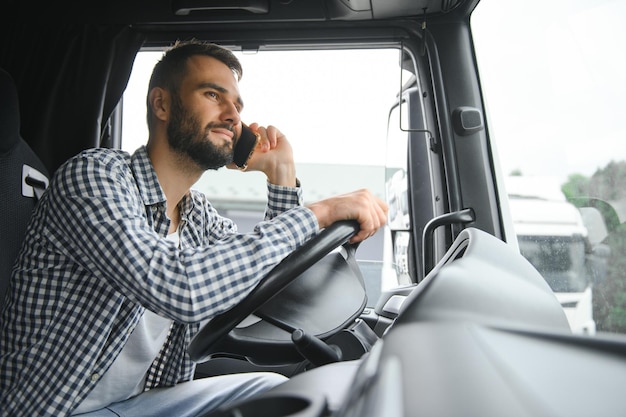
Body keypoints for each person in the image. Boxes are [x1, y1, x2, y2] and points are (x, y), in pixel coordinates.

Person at [0, 40, 388, 416]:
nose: (233, 116)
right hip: (57, 409)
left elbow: (261, 276)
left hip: (140, 402)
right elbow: (179, 285)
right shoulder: (93, 176)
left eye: (237, 105)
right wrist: (319, 212)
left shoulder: (196, 214)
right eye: (213, 95)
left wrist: (281, 176)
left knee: (283, 393)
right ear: (162, 103)